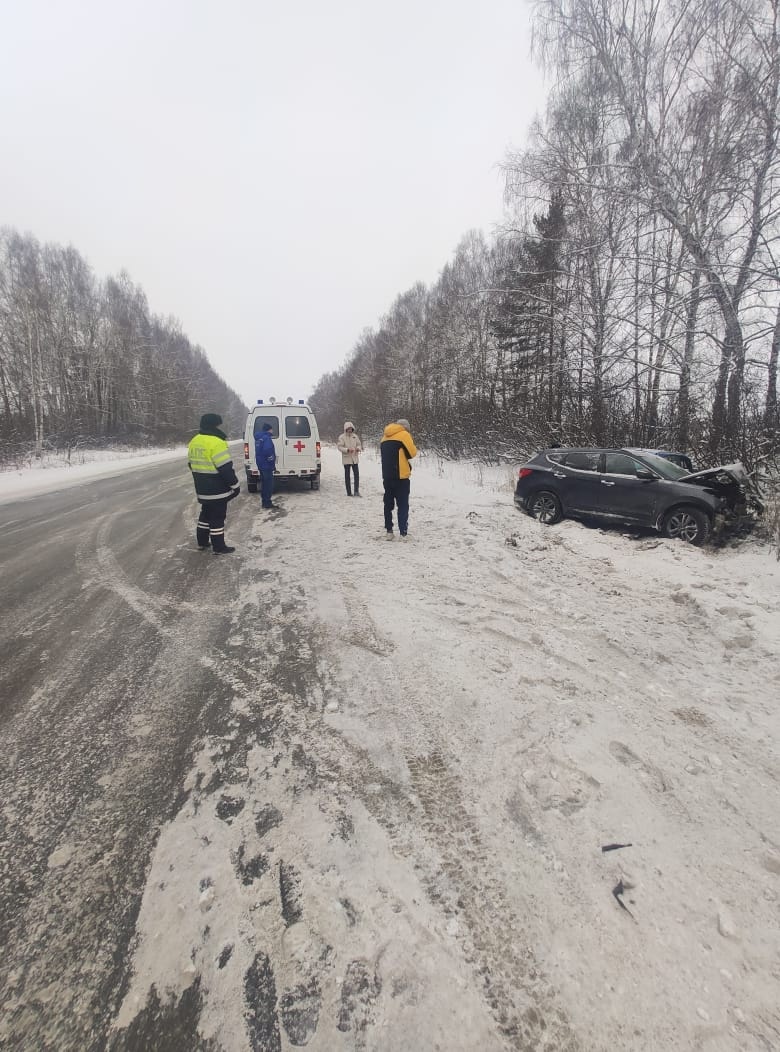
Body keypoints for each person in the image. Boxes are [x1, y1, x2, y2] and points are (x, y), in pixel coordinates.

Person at [187, 412, 240, 554]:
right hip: (217, 489)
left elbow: (191, 464)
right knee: (217, 517)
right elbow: (225, 468)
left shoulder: (194, 440)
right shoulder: (217, 442)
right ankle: (219, 547)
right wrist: (235, 486)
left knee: (205, 514)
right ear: (214, 425)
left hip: (202, 487)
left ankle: (202, 542)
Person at [380, 417, 417, 539]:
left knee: (388, 504)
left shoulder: (384, 437)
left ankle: (389, 531)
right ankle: (403, 533)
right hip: (401, 477)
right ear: (406, 427)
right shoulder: (404, 434)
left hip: (387, 476)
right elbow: (412, 453)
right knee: (402, 505)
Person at [255, 422, 278, 509]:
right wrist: (271, 461)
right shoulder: (266, 438)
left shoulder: (259, 438)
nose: (272, 430)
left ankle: (264, 501)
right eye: (272, 429)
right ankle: (267, 503)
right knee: (268, 485)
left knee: (264, 484)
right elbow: (268, 451)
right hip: (266, 466)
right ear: (269, 429)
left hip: (261, 465)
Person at [337, 421, 363, 496]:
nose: (350, 430)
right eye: (348, 428)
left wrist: (358, 448)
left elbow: (359, 444)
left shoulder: (355, 436)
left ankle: (356, 491)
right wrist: (347, 450)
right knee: (347, 476)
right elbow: (339, 447)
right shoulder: (341, 437)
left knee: (356, 475)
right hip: (346, 458)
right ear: (345, 429)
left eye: (351, 428)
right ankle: (349, 492)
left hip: (354, 458)